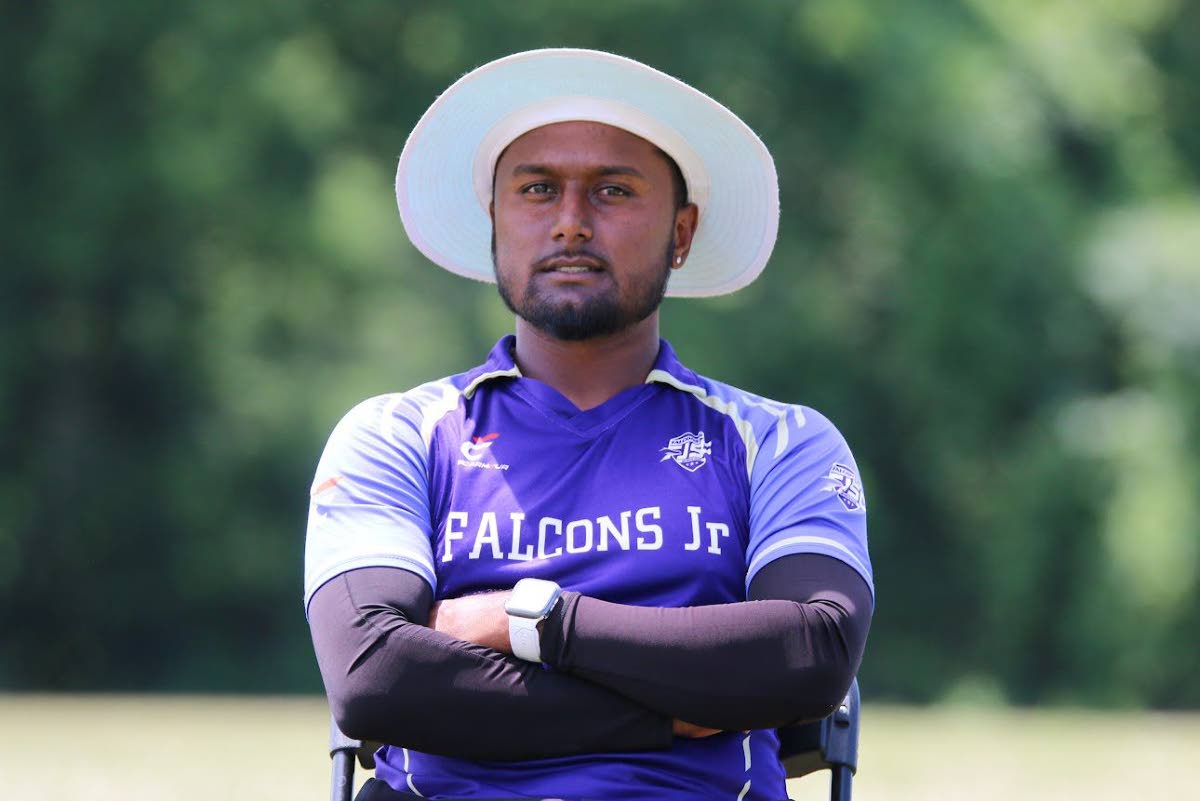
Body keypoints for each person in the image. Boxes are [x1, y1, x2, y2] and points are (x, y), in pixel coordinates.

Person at [305, 49, 873, 801]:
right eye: (537, 189)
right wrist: (668, 711)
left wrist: (534, 622)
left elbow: (811, 652)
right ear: (496, 220)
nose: (570, 223)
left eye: (613, 190)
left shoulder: (781, 442)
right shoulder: (394, 435)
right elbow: (375, 675)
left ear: (681, 232)